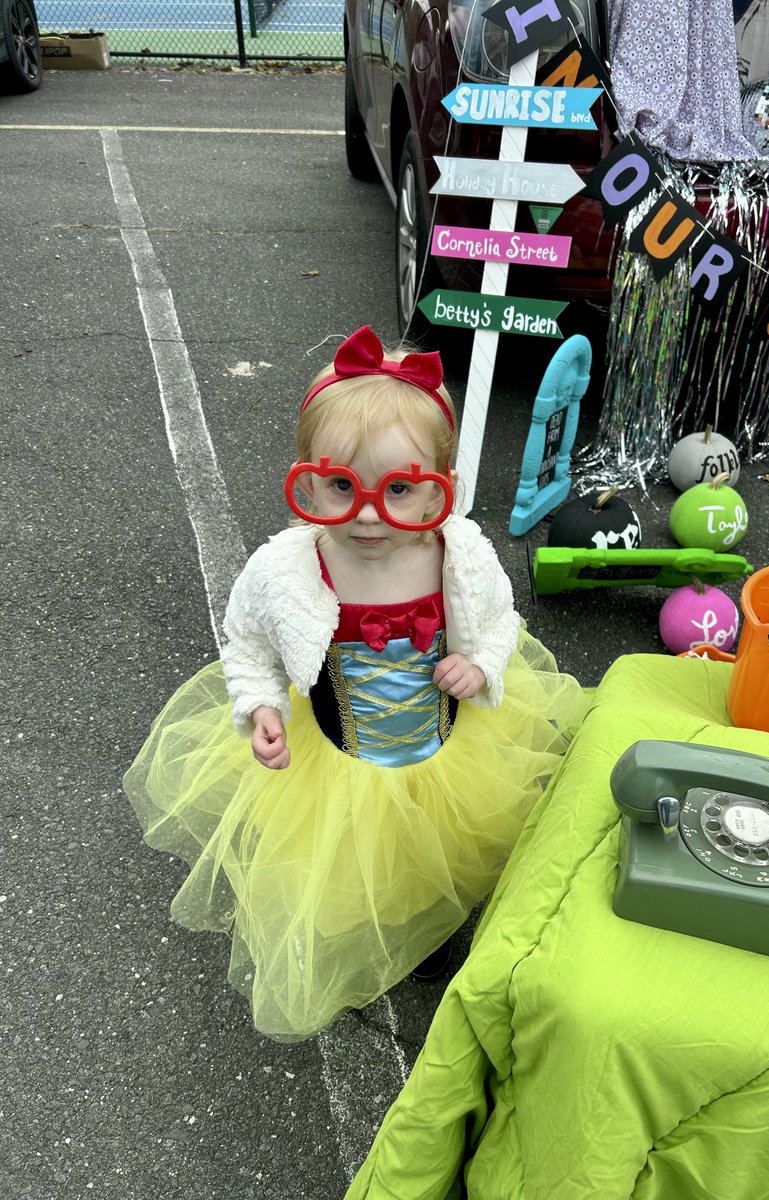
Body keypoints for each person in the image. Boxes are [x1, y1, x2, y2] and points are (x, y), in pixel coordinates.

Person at [123, 325, 588, 1043]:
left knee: (441, 850)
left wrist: (483, 664)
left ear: (442, 487)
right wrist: (260, 706)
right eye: (342, 486)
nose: (370, 513)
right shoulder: (287, 568)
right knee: (346, 864)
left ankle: (431, 923)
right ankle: (365, 927)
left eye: (401, 489)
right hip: (338, 760)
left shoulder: (456, 553)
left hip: (446, 751)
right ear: (306, 478)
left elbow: (499, 621)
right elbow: (245, 643)